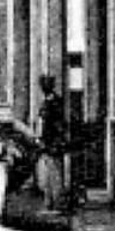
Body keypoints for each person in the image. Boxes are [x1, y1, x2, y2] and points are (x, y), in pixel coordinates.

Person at [35, 75, 67, 212]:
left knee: (53, 175)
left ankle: (55, 203)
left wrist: (40, 139)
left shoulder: (49, 103)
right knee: (50, 174)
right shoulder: (54, 101)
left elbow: (45, 123)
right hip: (52, 142)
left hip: (51, 142)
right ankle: (50, 203)